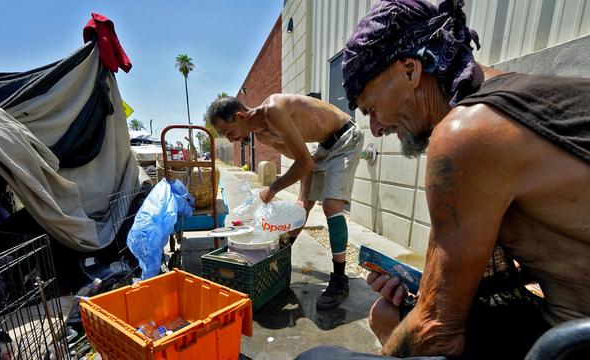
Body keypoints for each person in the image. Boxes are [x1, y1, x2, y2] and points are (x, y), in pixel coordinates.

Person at [306, 0, 590, 358]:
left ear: (410, 70)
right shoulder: (513, 98)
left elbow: (438, 329)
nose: (375, 129)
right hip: (568, 328)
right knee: (387, 313)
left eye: (372, 108)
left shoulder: (468, 132)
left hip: (569, 344)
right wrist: (424, 288)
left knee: (319, 356)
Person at [207, 94, 364, 310]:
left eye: (229, 132)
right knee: (304, 207)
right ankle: (281, 258)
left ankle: (340, 279)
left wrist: (272, 189)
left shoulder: (273, 109)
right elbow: (305, 161)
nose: (231, 138)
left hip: (346, 137)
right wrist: (303, 199)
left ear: (240, 116)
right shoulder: (264, 136)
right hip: (324, 147)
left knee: (331, 206)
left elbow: (304, 163)